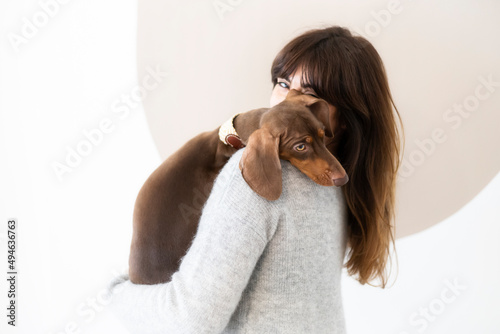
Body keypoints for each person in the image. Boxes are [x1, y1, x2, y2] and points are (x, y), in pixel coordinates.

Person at [106, 26, 402, 333]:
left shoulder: (256, 174)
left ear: (343, 118)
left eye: (310, 94)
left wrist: (117, 294)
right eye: (283, 83)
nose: (287, 101)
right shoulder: (340, 182)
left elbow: (190, 320)